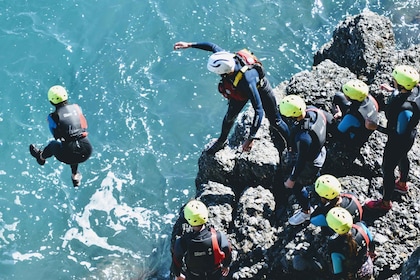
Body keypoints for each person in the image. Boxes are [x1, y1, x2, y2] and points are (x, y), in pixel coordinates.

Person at [173, 41, 289, 154]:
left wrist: (250, 138)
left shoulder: (247, 80)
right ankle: (222, 140)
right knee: (229, 117)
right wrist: (189, 45)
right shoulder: (227, 59)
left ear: (223, 71)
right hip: (239, 90)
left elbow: (258, 111)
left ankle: (292, 147)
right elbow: (211, 46)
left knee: (276, 121)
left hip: (259, 88)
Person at [365, 65, 420, 211]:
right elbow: (407, 94)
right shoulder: (416, 89)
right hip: (409, 136)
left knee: (387, 169)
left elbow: (398, 133)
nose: (393, 80)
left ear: (401, 84)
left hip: (399, 141)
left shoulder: (404, 110)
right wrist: (392, 90)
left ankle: (385, 202)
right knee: (403, 157)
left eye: (395, 80)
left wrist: (376, 127)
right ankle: (402, 184)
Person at [279, 95, 332, 225]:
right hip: (320, 152)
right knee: (315, 177)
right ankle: (321, 192)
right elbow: (330, 120)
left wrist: (292, 179)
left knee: (297, 187)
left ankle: (306, 211)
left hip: (311, 162)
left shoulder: (303, 137)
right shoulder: (314, 111)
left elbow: (301, 161)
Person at [29, 85, 92, 187]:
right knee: (73, 145)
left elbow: (56, 136)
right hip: (87, 150)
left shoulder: (53, 117)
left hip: (69, 155)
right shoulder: (77, 108)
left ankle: (41, 157)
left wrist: (52, 122)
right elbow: (81, 123)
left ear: (51, 102)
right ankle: (75, 175)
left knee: (55, 144)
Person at [171, 199, 232, 280]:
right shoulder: (218, 237)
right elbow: (228, 251)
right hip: (215, 275)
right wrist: (226, 265)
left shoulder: (182, 242)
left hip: (193, 276)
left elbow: (176, 261)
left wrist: (178, 275)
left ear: (188, 218)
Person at [326, 207, 375, 280]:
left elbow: (338, 273)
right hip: (367, 268)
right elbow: (372, 244)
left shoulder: (335, 246)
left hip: (353, 275)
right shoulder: (361, 227)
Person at [332, 79, 379, 148]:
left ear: (348, 97)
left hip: (354, 139)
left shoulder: (351, 116)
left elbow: (338, 131)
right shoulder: (370, 99)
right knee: (338, 96)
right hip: (363, 122)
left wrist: (339, 116)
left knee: (329, 121)